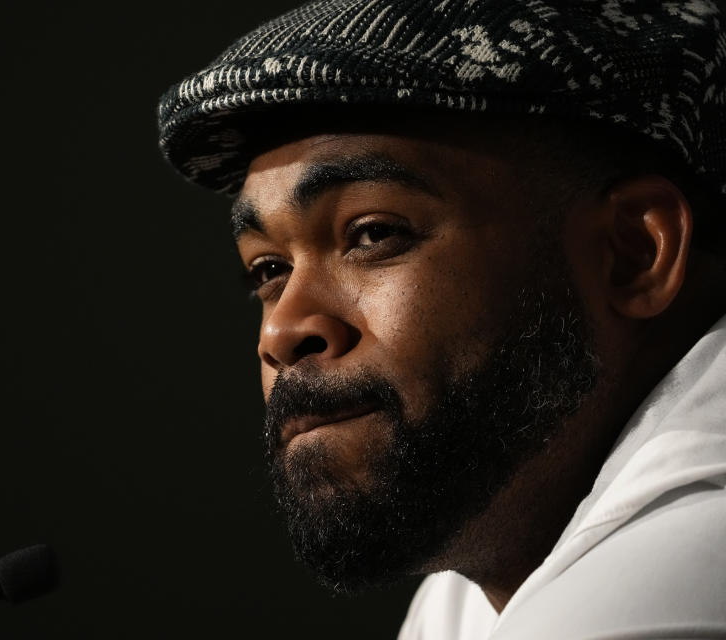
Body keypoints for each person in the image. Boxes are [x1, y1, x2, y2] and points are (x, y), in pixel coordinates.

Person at [157, 1, 726, 638]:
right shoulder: (480, 581)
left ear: (633, 254)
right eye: (268, 270)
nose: (282, 332)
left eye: (373, 234)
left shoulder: (669, 581)